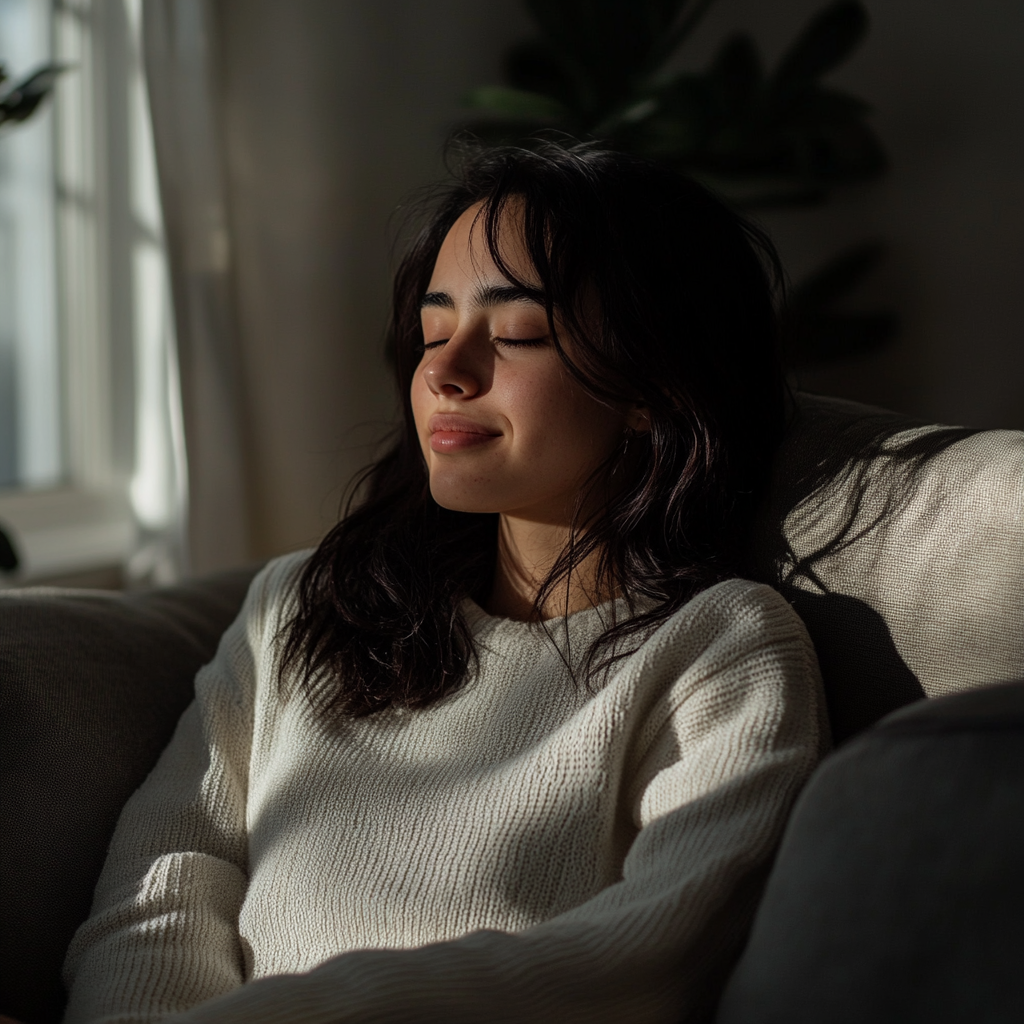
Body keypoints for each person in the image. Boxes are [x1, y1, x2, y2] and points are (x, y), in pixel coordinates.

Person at [61, 142, 826, 1024]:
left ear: (650, 383)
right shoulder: (306, 603)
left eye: (515, 335)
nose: (443, 371)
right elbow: (163, 884)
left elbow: (650, 959)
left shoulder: (721, 647)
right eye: (433, 329)